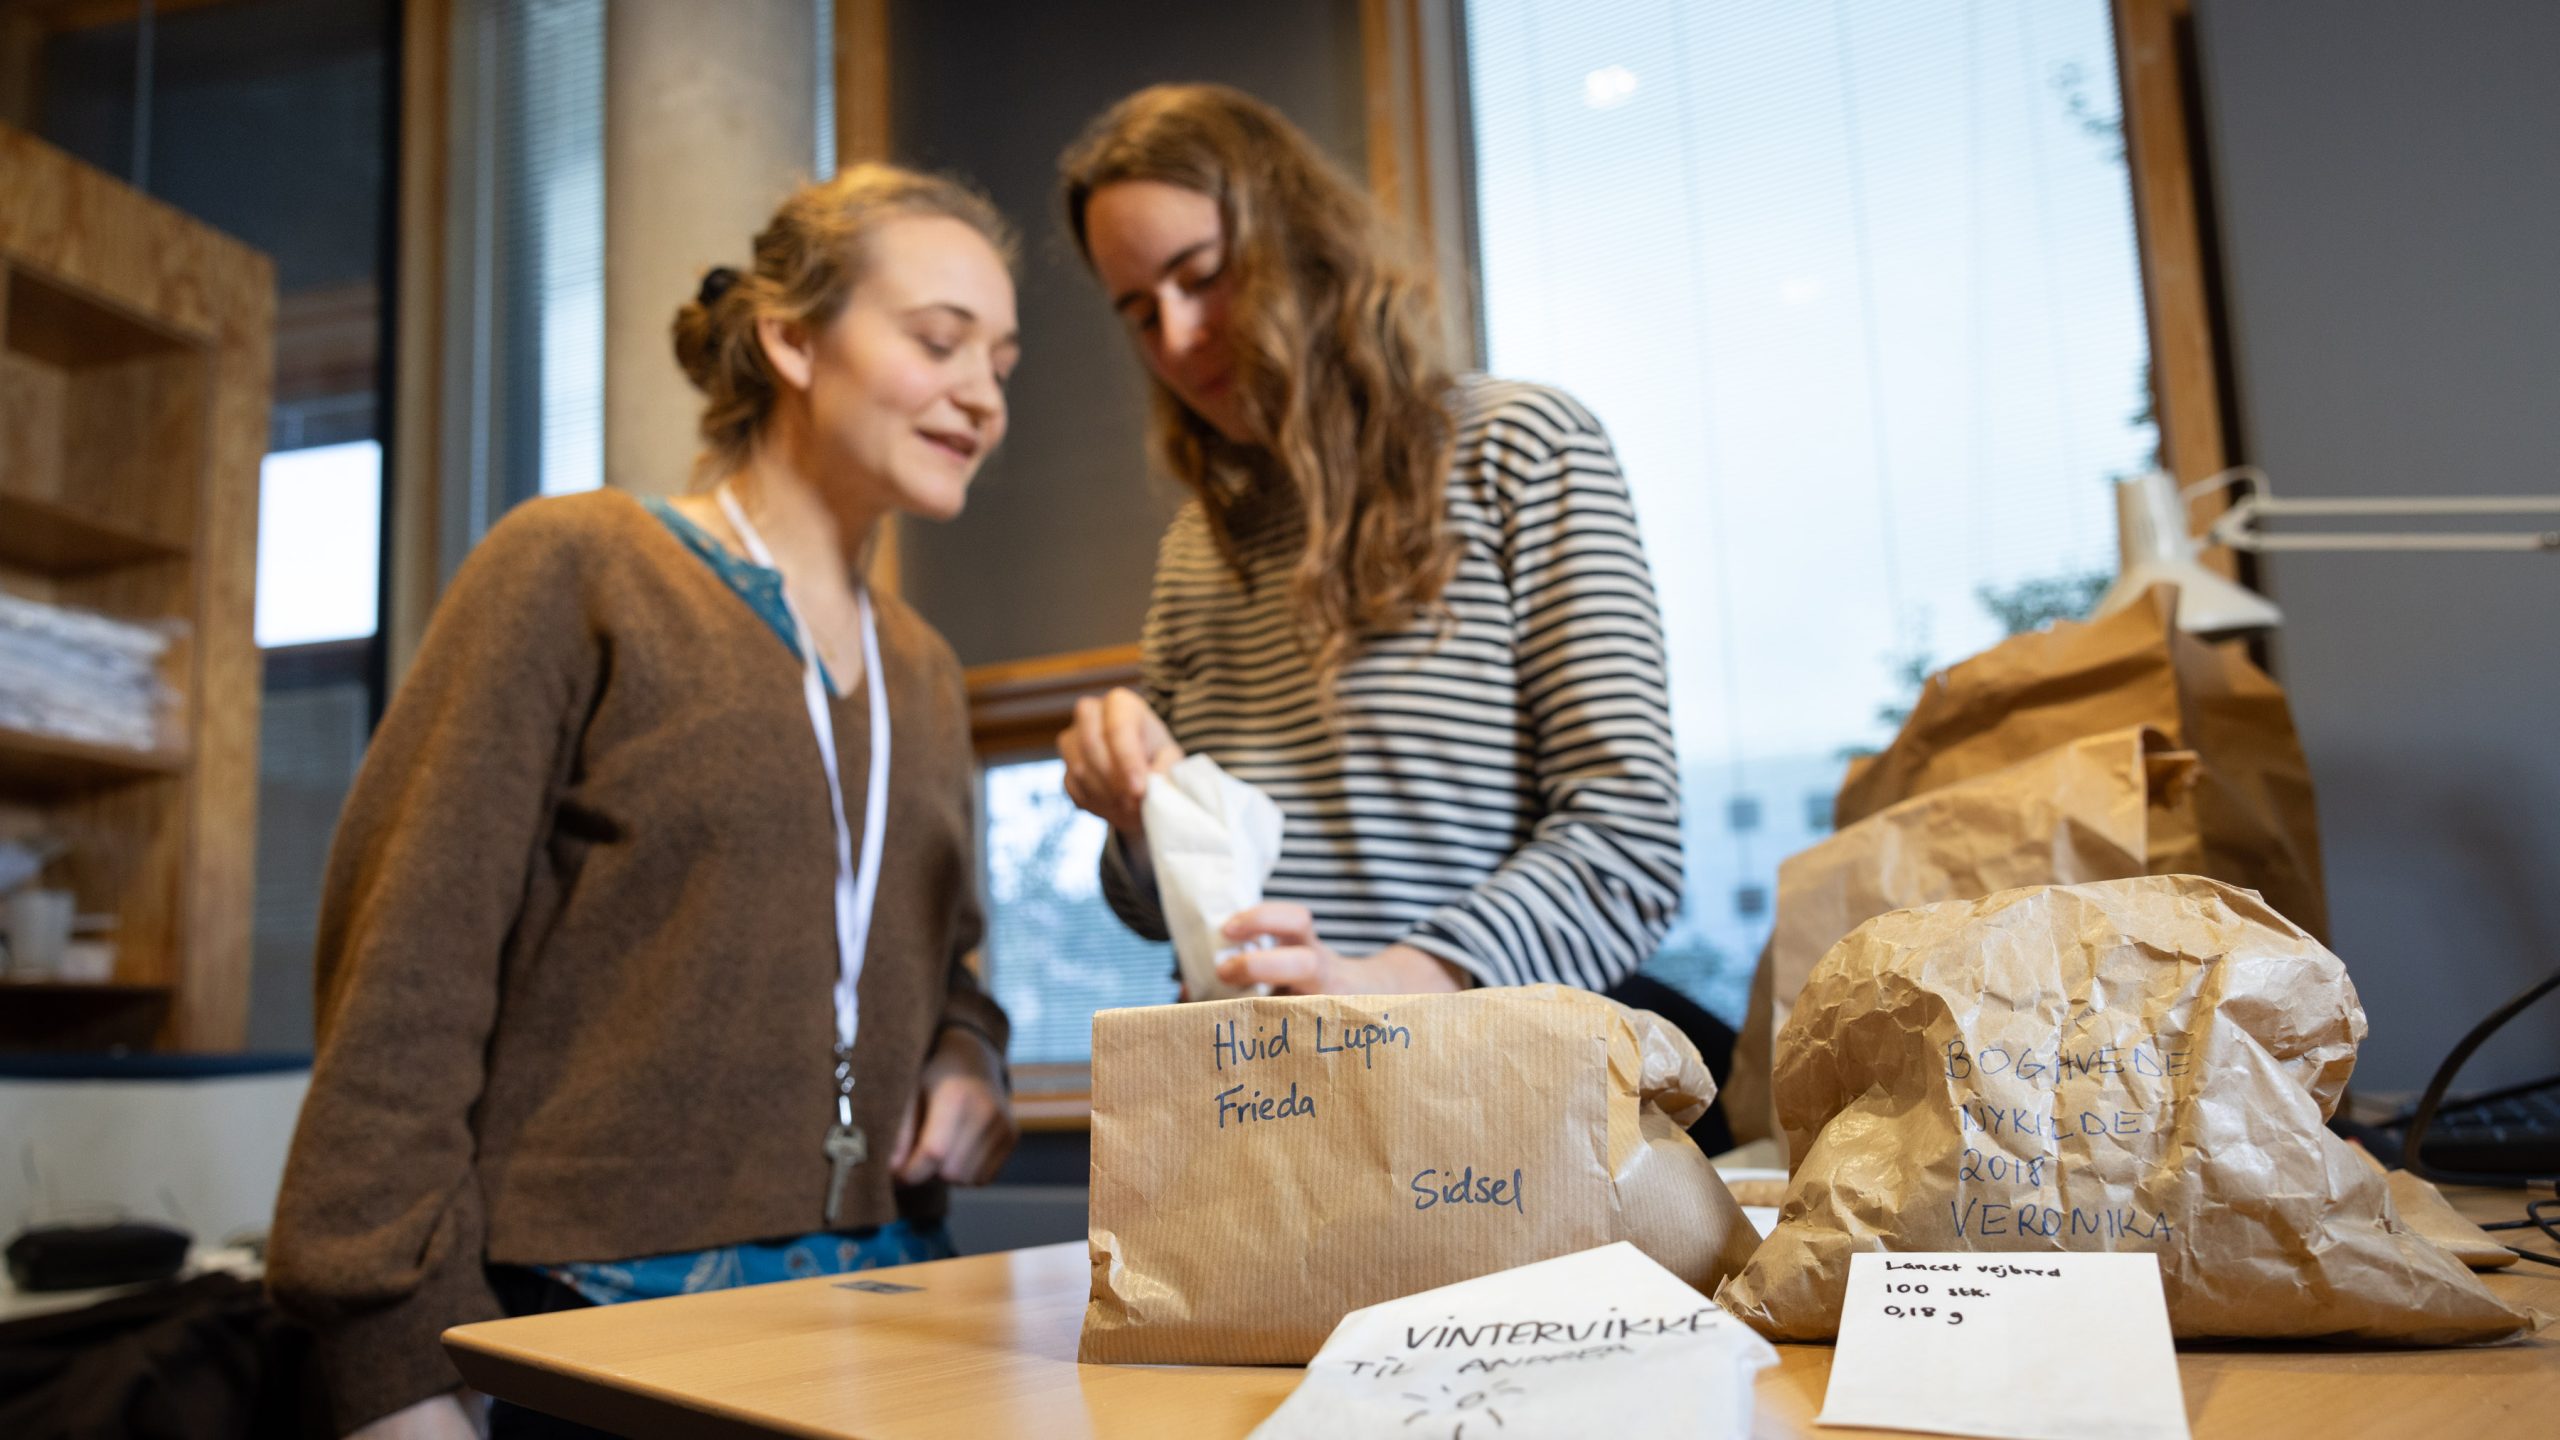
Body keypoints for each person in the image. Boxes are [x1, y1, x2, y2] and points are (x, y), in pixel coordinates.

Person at [267, 164, 1021, 1440]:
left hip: (887, 1315)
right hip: (584, 1332)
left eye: (1002, 362)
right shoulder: (578, 569)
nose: (983, 395)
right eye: (940, 342)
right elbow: (406, 979)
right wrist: (388, 1361)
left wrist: (970, 1052)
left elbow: (939, 964)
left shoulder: (926, 670)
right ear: (790, 337)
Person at [1055, 84, 1687, 1003]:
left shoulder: (1523, 448)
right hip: (1258, 1109)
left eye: (1201, 276)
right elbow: (1157, 912)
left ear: (1300, 241)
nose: (1180, 339)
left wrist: (1388, 983)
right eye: (1142, 313)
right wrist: (1137, 814)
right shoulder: (1195, 549)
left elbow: (1628, 847)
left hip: (1480, 1106)